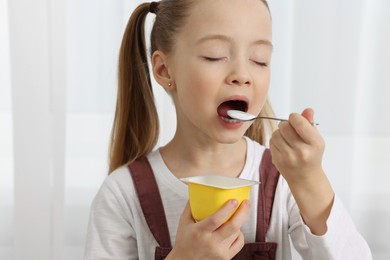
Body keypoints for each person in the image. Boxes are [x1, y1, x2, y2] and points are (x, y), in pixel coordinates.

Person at [84, 0, 372, 259]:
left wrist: (311, 182)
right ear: (164, 70)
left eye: (259, 60)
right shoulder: (122, 195)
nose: (242, 75)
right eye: (214, 55)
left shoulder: (284, 179)